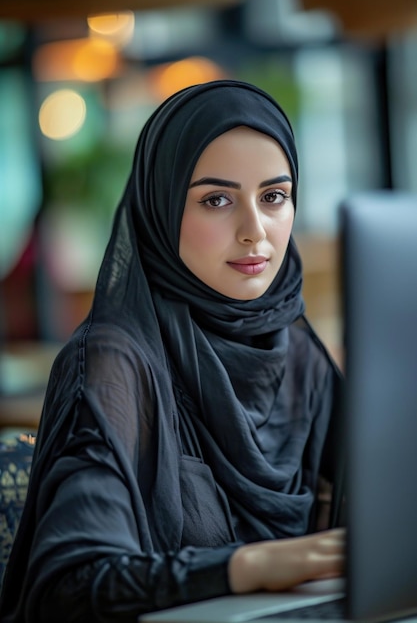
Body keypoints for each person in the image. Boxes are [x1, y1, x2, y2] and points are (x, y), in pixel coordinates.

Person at [0, 80, 345, 622]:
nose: (256, 231)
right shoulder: (116, 366)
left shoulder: (299, 352)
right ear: (161, 206)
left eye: (274, 196)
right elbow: (69, 584)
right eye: (216, 200)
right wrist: (246, 567)